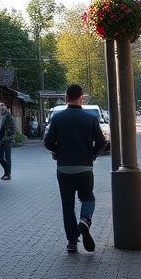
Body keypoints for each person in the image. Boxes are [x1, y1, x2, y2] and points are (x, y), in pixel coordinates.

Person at [44, 83, 106, 254]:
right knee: (88, 198)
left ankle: (72, 242)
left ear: (66, 98)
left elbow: (48, 142)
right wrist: (92, 154)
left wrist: (58, 151)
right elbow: (101, 142)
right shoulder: (90, 119)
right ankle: (85, 221)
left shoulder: (57, 118)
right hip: (85, 167)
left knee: (67, 204)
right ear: (82, 98)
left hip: (64, 168)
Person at [0, 101, 17, 180]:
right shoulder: (0, 117)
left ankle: (8, 174)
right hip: (1, 140)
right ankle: (7, 171)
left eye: (3, 105)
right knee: (0, 157)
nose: (1, 107)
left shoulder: (8, 117)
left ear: (6, 107)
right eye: (0, 106)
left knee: (8, 157)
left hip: (7, 139)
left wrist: (8, 137)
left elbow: (13, 129)